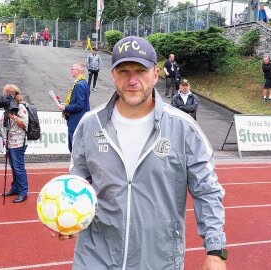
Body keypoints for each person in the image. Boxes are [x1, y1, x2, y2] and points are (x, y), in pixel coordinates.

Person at [54, 36, 227, 270]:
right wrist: (69, 218)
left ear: (156, 75)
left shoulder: (183, 128)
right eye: (124, 71)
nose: (132, 80)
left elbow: (206, 190)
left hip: (158, 259)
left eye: (140, 71)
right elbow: (78, 183)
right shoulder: (89, 124)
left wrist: (215, 251)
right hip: (95, 258)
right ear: (113, 75)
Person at [0, 84, 29, 203]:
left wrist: (12, 116)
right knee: (13, 167)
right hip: (9, 141)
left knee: (19, 167)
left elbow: (24, 124)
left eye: (5, 94)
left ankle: (23, 192)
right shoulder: (7, 106)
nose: (3, 96)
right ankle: (15, 188)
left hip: (18, 142)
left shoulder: (20, 107)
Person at [57, 63, 90, 152]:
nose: (71, 71)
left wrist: (65, 108)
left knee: (75, 150)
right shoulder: (83, 83)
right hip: (79, 120)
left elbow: (80, 105)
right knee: (76, 150)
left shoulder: (79, 85)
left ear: (78, 71)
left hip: (76, 121)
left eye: (72, 69)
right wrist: (67, 105)